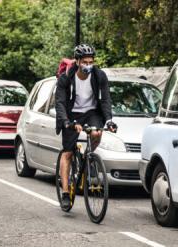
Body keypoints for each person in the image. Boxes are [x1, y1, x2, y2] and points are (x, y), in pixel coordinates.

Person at [55, 44, 117, 210]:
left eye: (91, 61)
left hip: (91, 112)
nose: (88, 65)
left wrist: (109, 120)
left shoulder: (99, 75)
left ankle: (89, 157)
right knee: (67, 153)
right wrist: (66, 122)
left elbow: (105, 100)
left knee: (96, 133)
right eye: (85, 62)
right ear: (77, 61)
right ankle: (66, 193)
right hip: (71, 114)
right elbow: (60, 102)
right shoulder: (66, 77)